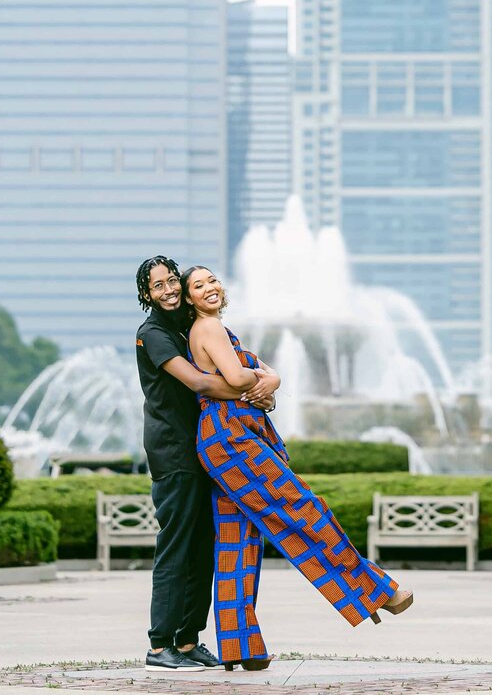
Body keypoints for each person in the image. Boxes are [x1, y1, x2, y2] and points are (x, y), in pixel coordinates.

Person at [182, 263, 414, 671]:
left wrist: (268, 384)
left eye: (213, 279)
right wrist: (268, 378)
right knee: (303, 508)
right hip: (232, 439)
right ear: (189, 299)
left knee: (239, 540)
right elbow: (236, 379)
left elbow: (242, 385)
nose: (210, 288)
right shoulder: (208, 328)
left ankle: (242, 648)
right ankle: (374, 588)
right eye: (198, 286)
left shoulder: (213, 329)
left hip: (223, 438)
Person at [134, 254, 278, 671]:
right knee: (177, 545)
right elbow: (198, 382)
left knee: (202, 548)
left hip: (203, 450)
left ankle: (188, 640)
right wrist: (256, 389)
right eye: (158, 285)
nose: (168, 290)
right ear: (146, 293)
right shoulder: (153, 333)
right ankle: (160, 644)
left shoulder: (185, 326)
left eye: (171, 282)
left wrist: (267, 382)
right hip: (173, 452)